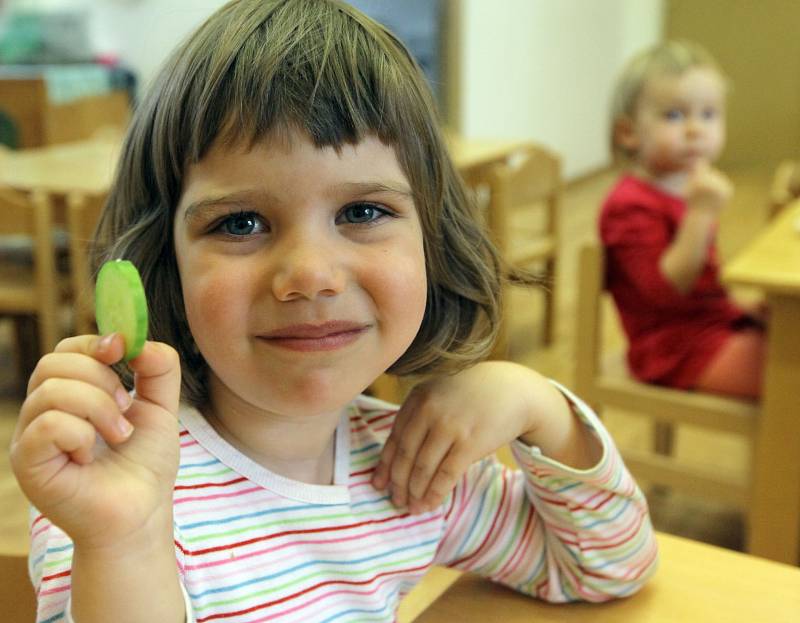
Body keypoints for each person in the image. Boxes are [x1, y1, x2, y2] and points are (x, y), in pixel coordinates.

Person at [11, 2, 657, 621]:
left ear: (433, 241)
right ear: (164, 262)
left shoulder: (412, 467)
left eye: (363, 212)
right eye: (241, 222)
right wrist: (123, 544)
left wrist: (537, 404)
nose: (311, 276)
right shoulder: (122, 482)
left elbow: (607, 566)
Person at [600, 40, 766, 400]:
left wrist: (738, 304)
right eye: (674, 115)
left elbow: (702, 282)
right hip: (671, 348)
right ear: (628, 132)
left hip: (710, 324)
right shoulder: (628, 204)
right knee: (789, 376)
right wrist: (701, 213)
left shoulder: (687, 185)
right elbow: (665, 293)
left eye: (708, 114)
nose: (695, 129)